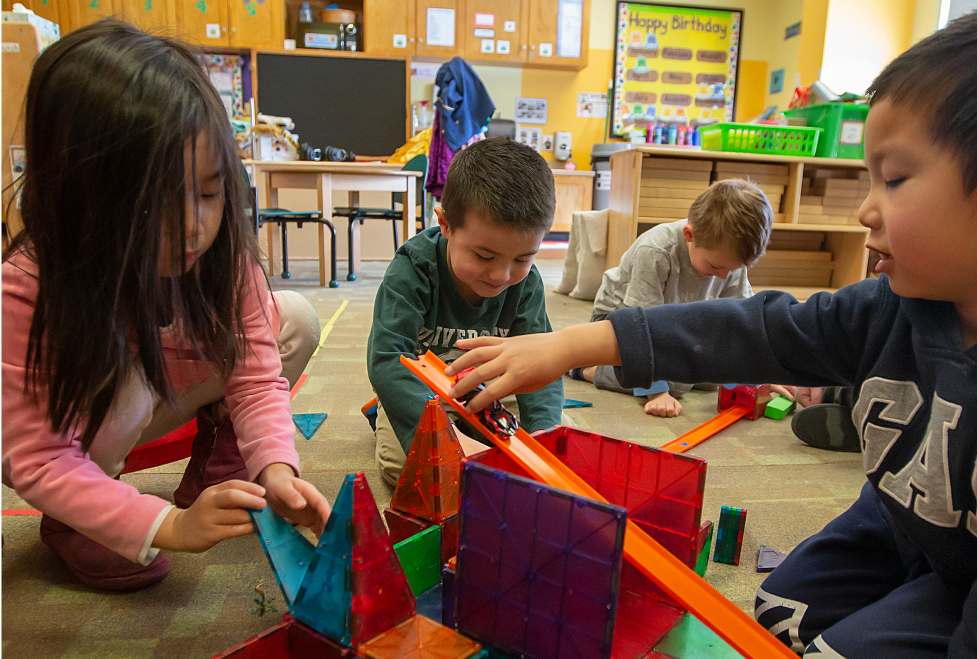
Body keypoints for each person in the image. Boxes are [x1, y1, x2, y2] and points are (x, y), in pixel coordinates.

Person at [441, 4, 977, 659]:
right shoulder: (890, 306)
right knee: (779, 621)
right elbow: (753, 329)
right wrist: (569, 347)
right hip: (904, 522)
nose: (865, 213)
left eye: (896, 179)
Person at [0, 20, 330, 592]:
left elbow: (255, 380)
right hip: (57, 437)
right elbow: (40, 457)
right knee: (120, 381)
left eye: (209, 192)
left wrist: (274, 469)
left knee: (294, 318)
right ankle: (82, 515)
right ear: (78, 193)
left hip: (150, 404)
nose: (193, 226)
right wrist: (166, 525)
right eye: (153, 203)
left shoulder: (224, 260)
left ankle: (221, 476)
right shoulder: (29, 286)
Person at [367, 137, 564, 486]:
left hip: (486, 388)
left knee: (558, 443)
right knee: (406, 470)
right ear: (445, 224)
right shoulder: (413, 269)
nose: (501, 276)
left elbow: (541, 362)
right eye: (484, 256)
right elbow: (386, 359)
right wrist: (455, 445)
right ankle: (383, 411)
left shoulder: (526, 283)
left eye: (522, 258)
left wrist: (543, 433)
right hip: (420, 393)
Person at [571, 179, 771, 418]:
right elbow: (639, 328)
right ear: (689, 235)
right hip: (622, 322)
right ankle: (586, 367)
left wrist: (764, 371)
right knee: (675, 386)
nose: (724, 276)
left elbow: (742, 318)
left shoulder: (727, 258)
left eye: (733, 269)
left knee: (715, 378)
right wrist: (657, 392)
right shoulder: (656, 252)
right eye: (716, 266)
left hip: (677, 325)